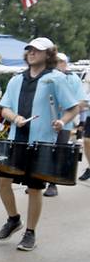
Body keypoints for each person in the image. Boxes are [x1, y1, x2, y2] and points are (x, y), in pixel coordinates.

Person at [0, 38, 80, 251]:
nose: (32, 53)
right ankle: (14, 219)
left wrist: (62, 121)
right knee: (2, 181)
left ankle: (30, 233)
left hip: (41, 142)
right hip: (16, 141)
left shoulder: (56, 79)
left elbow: (73, 108)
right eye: (29, 49)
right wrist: (15, 118)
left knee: (34, 189)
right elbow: (4, 108)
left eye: (37, 50)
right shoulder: (16, 80)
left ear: (48, 54)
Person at [44, 53, 88, 196]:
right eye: (55, 61)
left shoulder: (73, 78)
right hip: (45, 121)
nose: (58, 64)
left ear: (65, 63)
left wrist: (68, 106)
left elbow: (81, 102)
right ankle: (39, 179)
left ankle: (53, 184)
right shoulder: (47, 77)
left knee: (58, 152)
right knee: (43, 151)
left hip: (65, 122)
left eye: (61, 62)